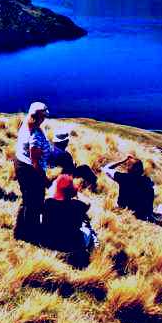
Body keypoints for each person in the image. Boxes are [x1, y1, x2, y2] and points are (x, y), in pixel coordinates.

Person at [14, 101, 51, 242]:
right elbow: (35, 160)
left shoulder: (27, 122)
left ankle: (20, 231)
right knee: (34, 202)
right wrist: (43, 178)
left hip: (21, 163)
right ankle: (30, 234)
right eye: (44, 116)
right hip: (30, 169)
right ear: (38, 116)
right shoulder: (35, 134)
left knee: (28, 199)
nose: (45, 118)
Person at [42, 174, 97, 258]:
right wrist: (75, 193)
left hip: (50, 243)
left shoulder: (48, 203)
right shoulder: (78, 205)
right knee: (88, 229)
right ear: (71, 191)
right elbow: (88, 203)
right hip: (71, 245)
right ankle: (94, 250)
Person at [101, 155, 156, 220]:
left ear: (128, 169)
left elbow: (106, 168)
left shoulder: (123, 177)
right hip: (141, 214)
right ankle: (151, 215)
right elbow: (151, 192)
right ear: (141, 170)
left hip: (124, 211)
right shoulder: (147, 181)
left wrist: (122, 161)